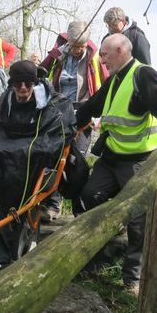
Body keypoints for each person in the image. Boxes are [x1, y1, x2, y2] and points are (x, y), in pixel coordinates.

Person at [76, 33, 157, 295]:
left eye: (105, 53)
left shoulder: (143, 75)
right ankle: (103, 246)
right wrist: (69, 120)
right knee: (88, 196)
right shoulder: (115, 80)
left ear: (121, 49)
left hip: (138, 161)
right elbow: (93, 106)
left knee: (139, 220)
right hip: (111, 157)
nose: (101, 59)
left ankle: (132, 278)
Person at [0, 60, 78, 265]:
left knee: (14, 171)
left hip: (29, 162)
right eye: (17, 84)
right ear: (11, 84)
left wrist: (22, 151)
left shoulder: (54, 105)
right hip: (3, 157)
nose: (22, 89)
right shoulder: (1, 103)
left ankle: (7, 235)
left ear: (35, 84)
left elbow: (56, 136)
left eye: (28, 85)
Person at [40, 20, 108, 218]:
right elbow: (42, 72)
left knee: (76, 161)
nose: (78, 50)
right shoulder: (58, 53)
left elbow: (106, 82)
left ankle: (80, 209)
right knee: (55, 158)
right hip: (58, 110)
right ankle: (53, 205)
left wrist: (100, 113)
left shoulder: (95, 56)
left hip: (83, 112)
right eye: (75, 46)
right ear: (68, 41)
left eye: (82, 47)